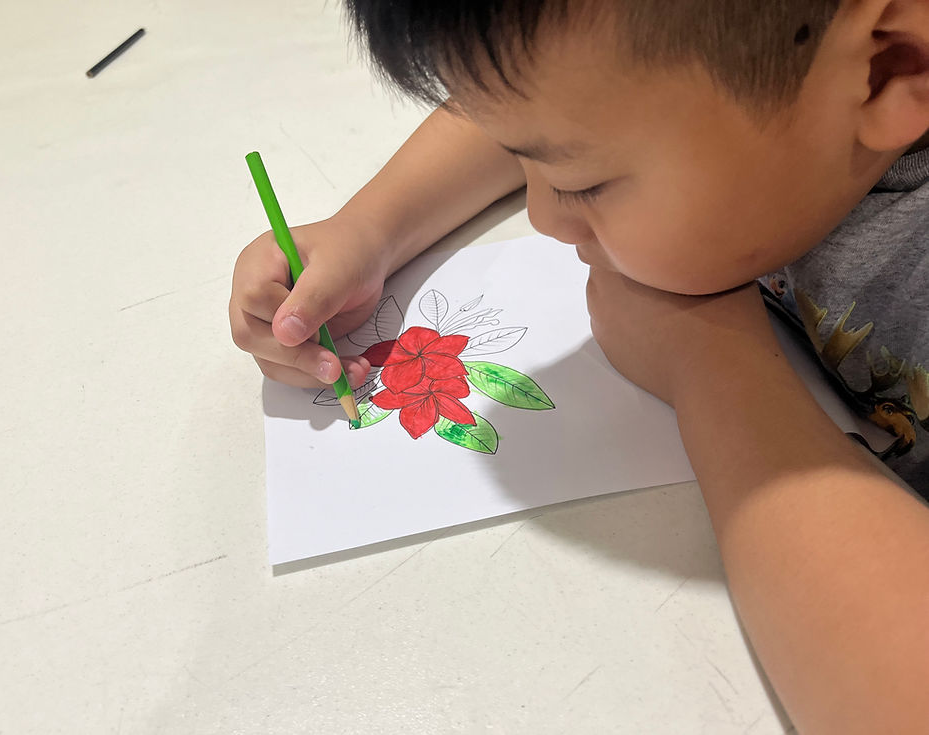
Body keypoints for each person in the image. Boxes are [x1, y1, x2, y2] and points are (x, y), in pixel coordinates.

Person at [230, 1, 929, 730]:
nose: (545, 217)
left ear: (888, 70)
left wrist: (709, 364)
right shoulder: (788, 75)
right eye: (540, 165)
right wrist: (369, 229)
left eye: (585, 183)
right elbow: (545, 94)